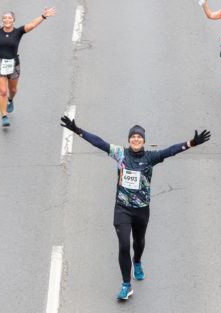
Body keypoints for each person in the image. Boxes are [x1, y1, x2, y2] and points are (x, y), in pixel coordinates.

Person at [60, 116, 211, 300]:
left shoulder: (151, 157)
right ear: (129, 139)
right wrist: (78, 130)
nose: (136, 139)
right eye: (133, 137)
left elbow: (170, 151)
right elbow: (99, 142)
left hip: (141, 210)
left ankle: (137, 261)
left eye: (139, 137)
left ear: (144, 141)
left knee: (138, 243)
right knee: (124, 245)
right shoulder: (120, 154)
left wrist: (191, 143)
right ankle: (126, 285)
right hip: (122, 208)